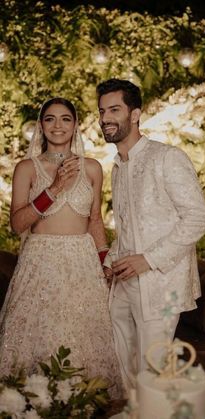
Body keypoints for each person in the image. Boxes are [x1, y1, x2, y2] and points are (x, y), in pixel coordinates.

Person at [0, 97, 123, 398]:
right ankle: (36, 402)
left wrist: (105, 261)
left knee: (85, 338)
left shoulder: (93, 168)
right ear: (41, 126)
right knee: (39, 337)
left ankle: (84, 402)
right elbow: (17, 224)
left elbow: (95, 221)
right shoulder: (27, 168)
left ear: (76, 125)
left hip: (82, 262)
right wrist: (53, 189)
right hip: (40, 260)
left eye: (66, 118)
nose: (58, 125)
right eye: (50, 119)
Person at [96, 78, 205, 390]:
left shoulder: (166, 158)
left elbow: (199, 218)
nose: (106, 118)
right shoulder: (118, 166)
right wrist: (113, 260)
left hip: (161, 283)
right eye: (102, 111)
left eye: (114, 109)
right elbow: (128, 227)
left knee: (153, 369)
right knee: (124, 363)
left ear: (135, 114)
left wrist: (148, 259)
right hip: (124, 280)